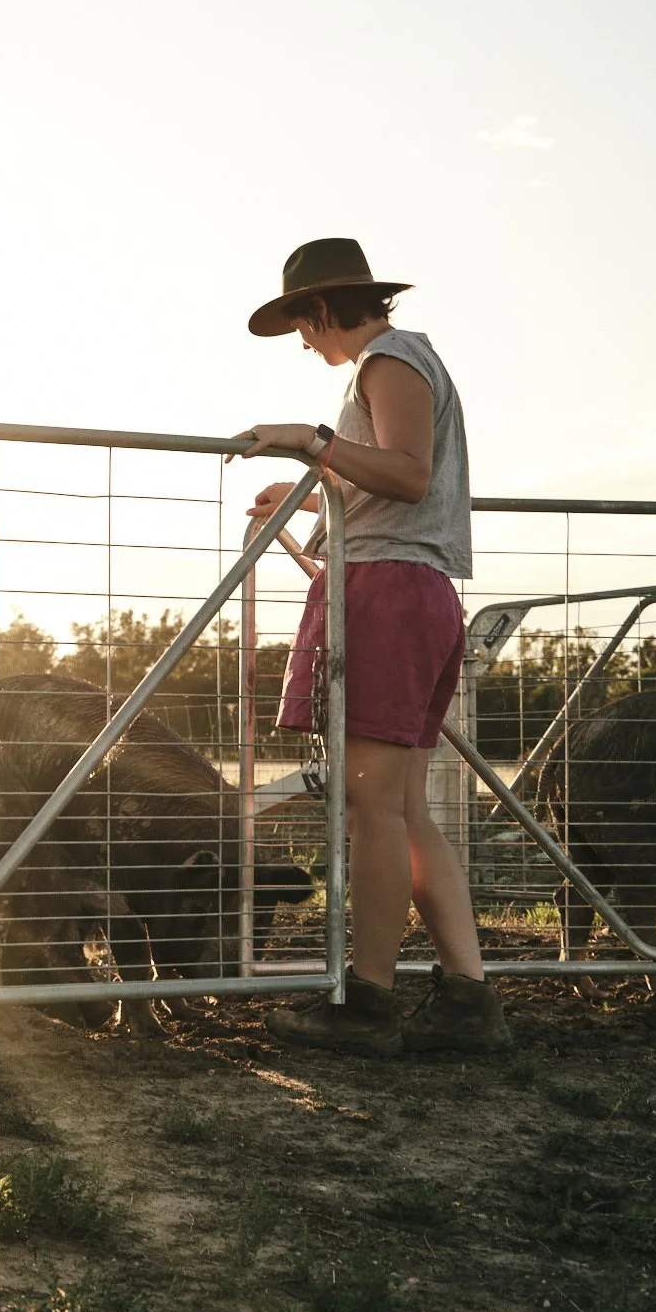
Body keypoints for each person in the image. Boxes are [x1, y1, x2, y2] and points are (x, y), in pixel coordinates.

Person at [236, 238, 508, 1055]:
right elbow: (382, 483)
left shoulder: (388, 360)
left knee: (374, 810)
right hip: (409, 593)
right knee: (404, 809)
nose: (303, 342)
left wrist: (310, 439)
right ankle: (467, 1001)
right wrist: (314, 491)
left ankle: (367, 1004)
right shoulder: (395, 363)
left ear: (323, 308)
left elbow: (409, 473)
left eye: (301, 323)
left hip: (394, 597)